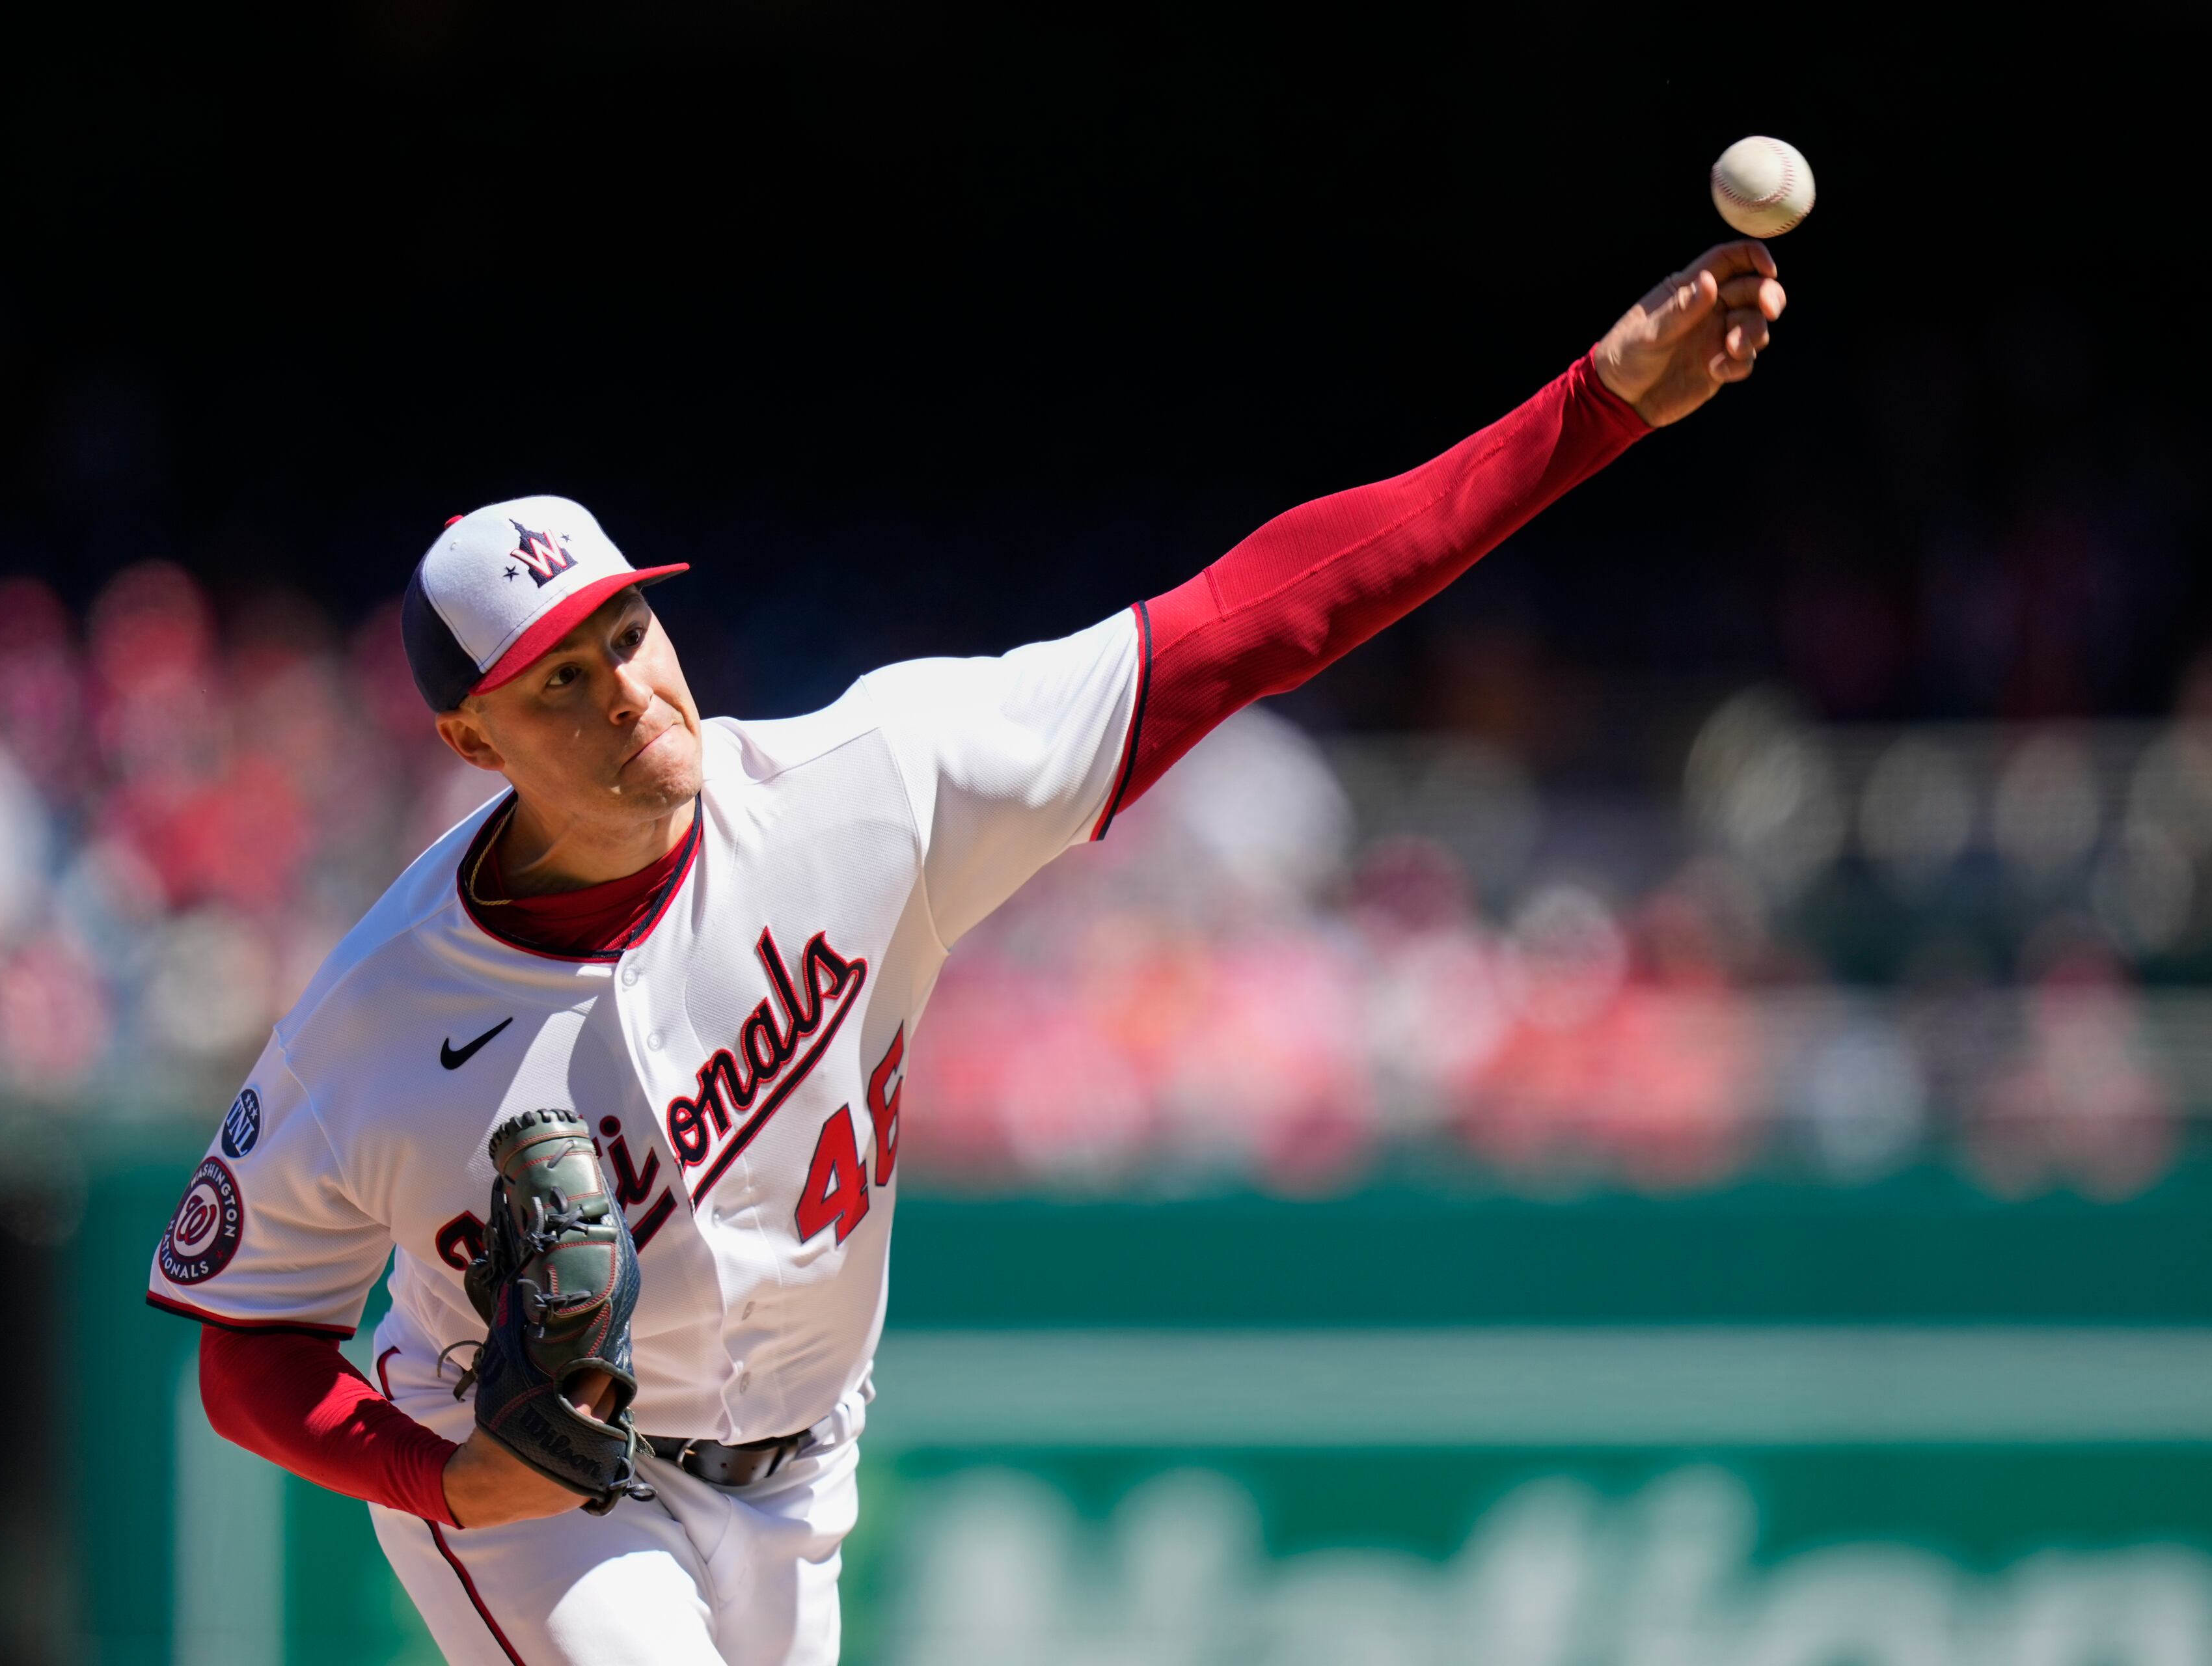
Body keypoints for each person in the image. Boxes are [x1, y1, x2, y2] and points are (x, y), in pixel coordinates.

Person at [146, 241, 1786, 1664]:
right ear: (468, 733)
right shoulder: (378, 1015)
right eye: (555, 682)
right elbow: (248, 1345)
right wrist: (436, 1480)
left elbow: (1251, 619)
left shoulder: (876, 783)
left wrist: (1597, 410)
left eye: (625, 632)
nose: (626, 690)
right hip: (541, 1489)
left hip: (800, 1475)